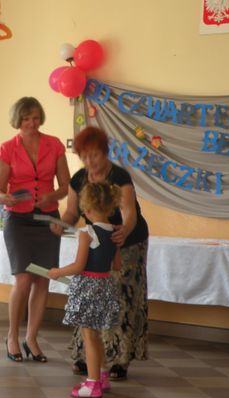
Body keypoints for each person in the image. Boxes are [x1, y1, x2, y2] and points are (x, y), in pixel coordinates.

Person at [51, 126, 149, 380]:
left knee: (121, 298)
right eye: (84, 156)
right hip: (96, 241)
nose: (89, 161)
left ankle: (119, 360)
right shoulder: (79, 179)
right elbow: (72, 212)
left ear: (104, 153)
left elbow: (129, 212)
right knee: (91, 297)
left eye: (93, 155)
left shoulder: (119, 176)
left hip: (127, 241)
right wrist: (61, 224)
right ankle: (87, 357)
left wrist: (125, 230)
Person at [0, 97, 70, 363]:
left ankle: (32, 338)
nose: (31, 123)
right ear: (18, 120)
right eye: (26, 118)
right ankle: (12, 336)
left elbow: (66, 186)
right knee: (24, 279)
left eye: (35, 118)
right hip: (18, 220)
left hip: (47, 218)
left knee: (43, 279)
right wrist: (5, 198)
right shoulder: (7, 149)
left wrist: (51, 197)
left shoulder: (54, 145)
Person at [49, 182, 122, 398]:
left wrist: (57, 271)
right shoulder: (115, 233)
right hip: (105, 285)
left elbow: (79, 266)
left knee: (89, 335)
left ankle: (92, 384)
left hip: (88, 287)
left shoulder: (87, 232)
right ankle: (102, 376)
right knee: (95, 334)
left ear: (87, 209)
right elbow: (117, 265)